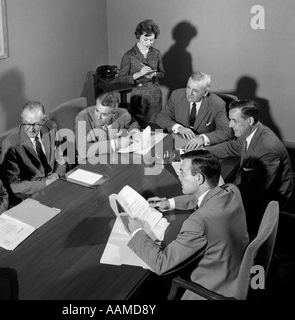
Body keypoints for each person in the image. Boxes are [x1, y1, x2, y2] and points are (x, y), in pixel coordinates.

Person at [121, 150, 249, 300]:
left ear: (199, 178)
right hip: (236, 265)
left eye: (182, 172)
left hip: (215, 285)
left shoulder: (197, 222)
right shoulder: (231, 190)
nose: (178, 176)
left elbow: (161, 265)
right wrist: (169, 203)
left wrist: (137, 232)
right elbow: (203, 198)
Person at [207, 99, 293, 235]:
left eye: (234, 121)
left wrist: (220, 191)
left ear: (250, 121)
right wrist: (202, 152)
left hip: (269, 199)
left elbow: (255, 191)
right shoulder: (254, 131)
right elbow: (232, 146)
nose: (230, 125)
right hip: (251, 186)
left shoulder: (267, 148)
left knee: (215, 218)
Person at [1, 101, 66, 205]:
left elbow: (62, 158)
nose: (31, 129)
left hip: (57, 185)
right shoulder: (10, 144)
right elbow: (13, 184)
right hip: (32, 196)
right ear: (22, 119)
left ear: (43, 121)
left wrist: (57, 176)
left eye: (36, 124)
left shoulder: (51, 128)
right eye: (26, 123)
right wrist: (45, 183)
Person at [156, 71, 233, 149]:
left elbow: (227, 131)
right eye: (188, 87)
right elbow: (161, 117)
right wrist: (179, 128)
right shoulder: (177, 95)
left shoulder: (217, 104)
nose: (189, 93)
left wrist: (202, 139)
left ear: (205, 92)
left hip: (201, 148)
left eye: (195, 90)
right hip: (178, 142)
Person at [119, 19, 165, 128]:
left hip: (155, 95)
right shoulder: (129, 55)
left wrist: (154, 74)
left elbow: (162, 73)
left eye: (152, 40)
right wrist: (139, 74)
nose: (149, 43)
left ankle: (158, 145)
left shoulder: (156, 53)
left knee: (156, 127)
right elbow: (122, 78)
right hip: (138, 95)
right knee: (138, 127)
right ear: (138, 36)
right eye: (146, 39)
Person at [75, 92, 141, 161]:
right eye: (97, 110)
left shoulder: (123, 114)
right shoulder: (82, 118)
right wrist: (115, 144)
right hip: (90, 161)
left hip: (113, 158)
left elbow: (132, 123)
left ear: (114, 114)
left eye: (104, 114)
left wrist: (134, 132)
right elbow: (82, 150)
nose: (98, 117)